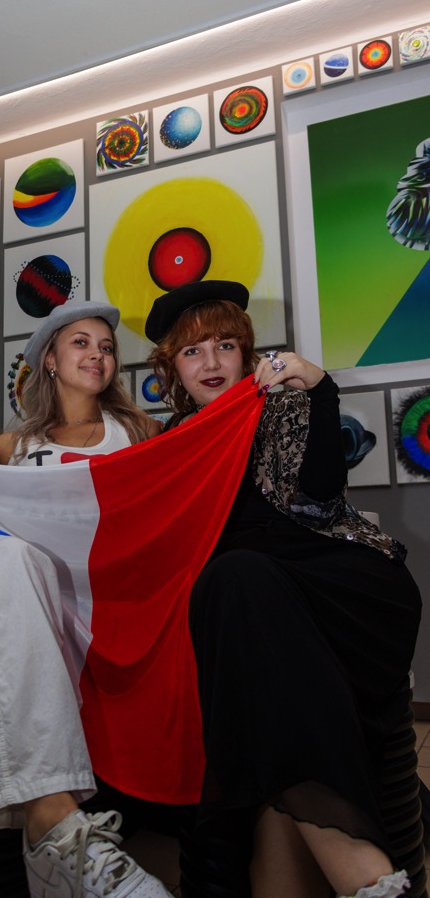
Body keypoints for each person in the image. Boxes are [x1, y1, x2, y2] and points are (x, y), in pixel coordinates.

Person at [145, 280, 421, 898]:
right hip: (255, 606)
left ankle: (359, 868)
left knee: (235, 578)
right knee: (238, 608)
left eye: (225, 345)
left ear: (246, 353)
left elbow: (319, 498)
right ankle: (359, 878)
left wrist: (320, 390)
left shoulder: (281, 405)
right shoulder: (170, 439)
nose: (211, 362)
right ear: (173, 367)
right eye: (193, 351)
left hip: (342, 585)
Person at [0, 301, 166, 898]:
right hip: (18, 599)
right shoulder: (10, 447)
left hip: (101, 606)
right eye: (81, 343)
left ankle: (4, 857)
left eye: (106, 347)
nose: (98, 354)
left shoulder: (140, 431)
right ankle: (59, 843)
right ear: (50, 360)